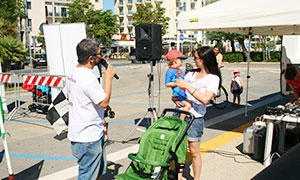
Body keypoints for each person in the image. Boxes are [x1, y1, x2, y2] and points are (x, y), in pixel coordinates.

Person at [66, 38, 115, 180]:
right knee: (87, 176)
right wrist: (108, 79)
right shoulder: (87, 77)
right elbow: (104, 102)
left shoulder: (73, 72)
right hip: (88, 137)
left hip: (90, 132)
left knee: (98, 172)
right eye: (100, 53)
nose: (102, 56)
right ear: (91, 58)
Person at [173, 46, 221, 180]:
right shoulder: (190, 74)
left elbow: (205, 99)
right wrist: (176, 98)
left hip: (195, 118)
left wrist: (188, 86)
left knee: (194, 152)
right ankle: (178, 176)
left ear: (205, 59)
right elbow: (181, 92)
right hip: (179, 113)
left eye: (196, 58)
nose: (194, 60)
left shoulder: (213, 78)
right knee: (178, 150)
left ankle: (196, 178)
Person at [165, 49, 191, 120]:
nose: (182, 62)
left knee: (187, 104)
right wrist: (176, 84)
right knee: (188, 105)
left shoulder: (179, 70)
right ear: (175, 60)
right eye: (181, 60)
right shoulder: (170, 71)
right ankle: (181, 120)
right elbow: (167, 84)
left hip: (183, 91)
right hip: (178, 93)